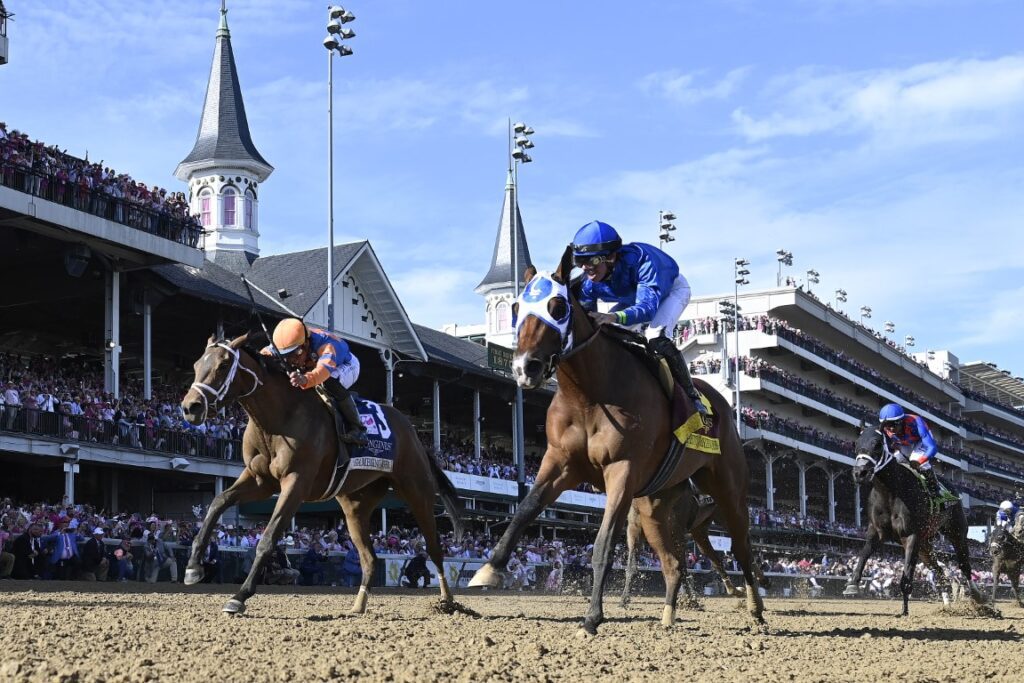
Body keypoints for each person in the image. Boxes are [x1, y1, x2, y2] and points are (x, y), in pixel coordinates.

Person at [570, 220, 706, 415]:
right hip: (633, 297)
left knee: (655, 336)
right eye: (579, 262)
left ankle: (691, 396)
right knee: (605, 334)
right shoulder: (589, 284)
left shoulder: (643, 262)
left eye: (591, 261)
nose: (585, 268)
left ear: (611, 257)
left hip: (670, 292)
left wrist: (613, 316)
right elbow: (588, 325)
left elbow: (648, 309)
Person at [264, 318, 368, 448]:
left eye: (295, 354)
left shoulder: (327, 346)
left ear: (306, 344)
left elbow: (323, 371)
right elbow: (264, 354)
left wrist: (306, 379)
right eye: (286, 356)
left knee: (327, 382)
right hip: (314, 365)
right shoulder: (287, 344)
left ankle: (358, 429)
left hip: (345, 365)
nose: (291, 360)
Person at [878, 403, 942, 500]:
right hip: (904, 443)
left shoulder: (916, 422)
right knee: (897, 460)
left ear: (901, 421)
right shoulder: (885, 429)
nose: (890, 428)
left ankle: (935, 490)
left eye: (893, 424)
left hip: (921, 441)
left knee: (915, 459)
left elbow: (932, 448)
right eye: (887, 425)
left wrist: (919, 462)